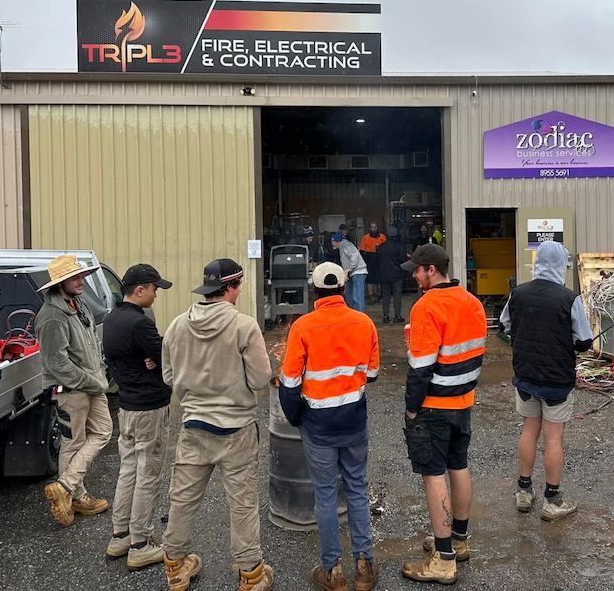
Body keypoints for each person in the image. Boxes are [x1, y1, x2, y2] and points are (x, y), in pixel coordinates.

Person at [161, 258, 275, 591]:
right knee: (242, 504)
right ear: (231, 287)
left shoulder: (178, 325)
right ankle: (251, 574)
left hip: (193, 426)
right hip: (236, 429)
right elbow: (260, 379)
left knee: (181, 500)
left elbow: (169, 376)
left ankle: (175, 566)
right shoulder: (244, 326)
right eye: (238, 286)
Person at [278, 262, 381, 591]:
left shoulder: (303, 327)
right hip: (353, 421)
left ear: (315, 291)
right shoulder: (364, 323)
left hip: (317, 426)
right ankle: (364, 567)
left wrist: (296, 417)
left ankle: (333, 572)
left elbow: (290, 382)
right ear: (343, 289)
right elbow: (373, 374)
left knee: (325, 496)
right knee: (356, 489)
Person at [400, 244, 487, 585]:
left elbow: (420, 368)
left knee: (434, 475)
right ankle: (459, 541)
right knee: (458, 466)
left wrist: (411, 408)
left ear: (431, 270)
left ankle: (443, 559)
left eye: (417, 270)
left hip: (434, 405)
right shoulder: (472, 302)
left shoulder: (426, 307)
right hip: (463, 400)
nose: (414, 275)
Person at [499, 241, 593, 521]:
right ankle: (553, 499)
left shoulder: (518, 294)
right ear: (561, 265)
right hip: (557, 379)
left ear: (537, 262)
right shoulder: (569, 298)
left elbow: (505, 325)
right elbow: (585, 340)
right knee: (554, 437)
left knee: (529, 430)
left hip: (526, 376)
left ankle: (524, 492)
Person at [103, 263, 173, 569]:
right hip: (149, 407)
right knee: (149, 474)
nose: (157, 294)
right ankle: (141, 543)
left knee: (128, 470)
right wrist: (156, 363)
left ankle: (120, 535)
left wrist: (151, 361)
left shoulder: (111, 319)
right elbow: (166, 356)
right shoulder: (140, 323)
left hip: (127, 406)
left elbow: (141, 358)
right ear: (140, 289)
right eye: (155, 288)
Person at [35, 254, 113, 528]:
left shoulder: (79, 305)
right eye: (75, 278)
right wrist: (92, 381)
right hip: (72, 389)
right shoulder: (51, 317)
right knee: (73, 441)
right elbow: (56, 363)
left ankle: (66, 486)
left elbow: (92, 343)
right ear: (60, 283)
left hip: (92, 383)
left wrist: (99, 371)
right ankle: (75, 496)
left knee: (103, 431)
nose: (81, 281)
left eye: (81, 276)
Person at [376, 225, 407, 324]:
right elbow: (402, 260)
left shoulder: (380, 247)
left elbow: (378, 260)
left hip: (384, 275)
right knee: (397, 296)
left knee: (386, 296)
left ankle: (385, 316)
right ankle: (397, 316)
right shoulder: (399, 246)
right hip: (396, 275)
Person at [332, 232, 368, 312]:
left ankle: (359, 316)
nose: (332, 244)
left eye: (333, 242)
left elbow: (354, 256)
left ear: (336, 242)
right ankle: (352, 313)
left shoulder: (346, 245)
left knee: (357, 296)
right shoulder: (342, 246)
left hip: (358, 272)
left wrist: (349, 269)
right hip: (351, 273)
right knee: (348, 295)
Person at [359, 221, 386, 305]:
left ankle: (377, 295)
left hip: (380, 258)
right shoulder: (365, 238)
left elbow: (386, 248)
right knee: (370, 279)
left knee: (378, 278)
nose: (374, 229)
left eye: (375, 227)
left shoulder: (382, 237)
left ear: (377, 228)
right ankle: (370, 296)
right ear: (369, 228)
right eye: (372, 227)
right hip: (369, 259)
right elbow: (362, 252)